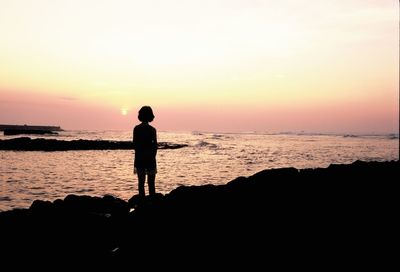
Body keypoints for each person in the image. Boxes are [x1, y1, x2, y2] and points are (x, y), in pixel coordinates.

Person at [133, 106, 157, 197]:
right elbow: (155, 146)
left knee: (141, 183)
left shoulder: (136, 128)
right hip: (150, 157)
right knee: (151, 184)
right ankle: (152, 203)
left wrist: (139, 154)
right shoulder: (152, 129)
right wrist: (153, 156)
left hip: (139, 158)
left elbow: (135, 144)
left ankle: (142, 204)